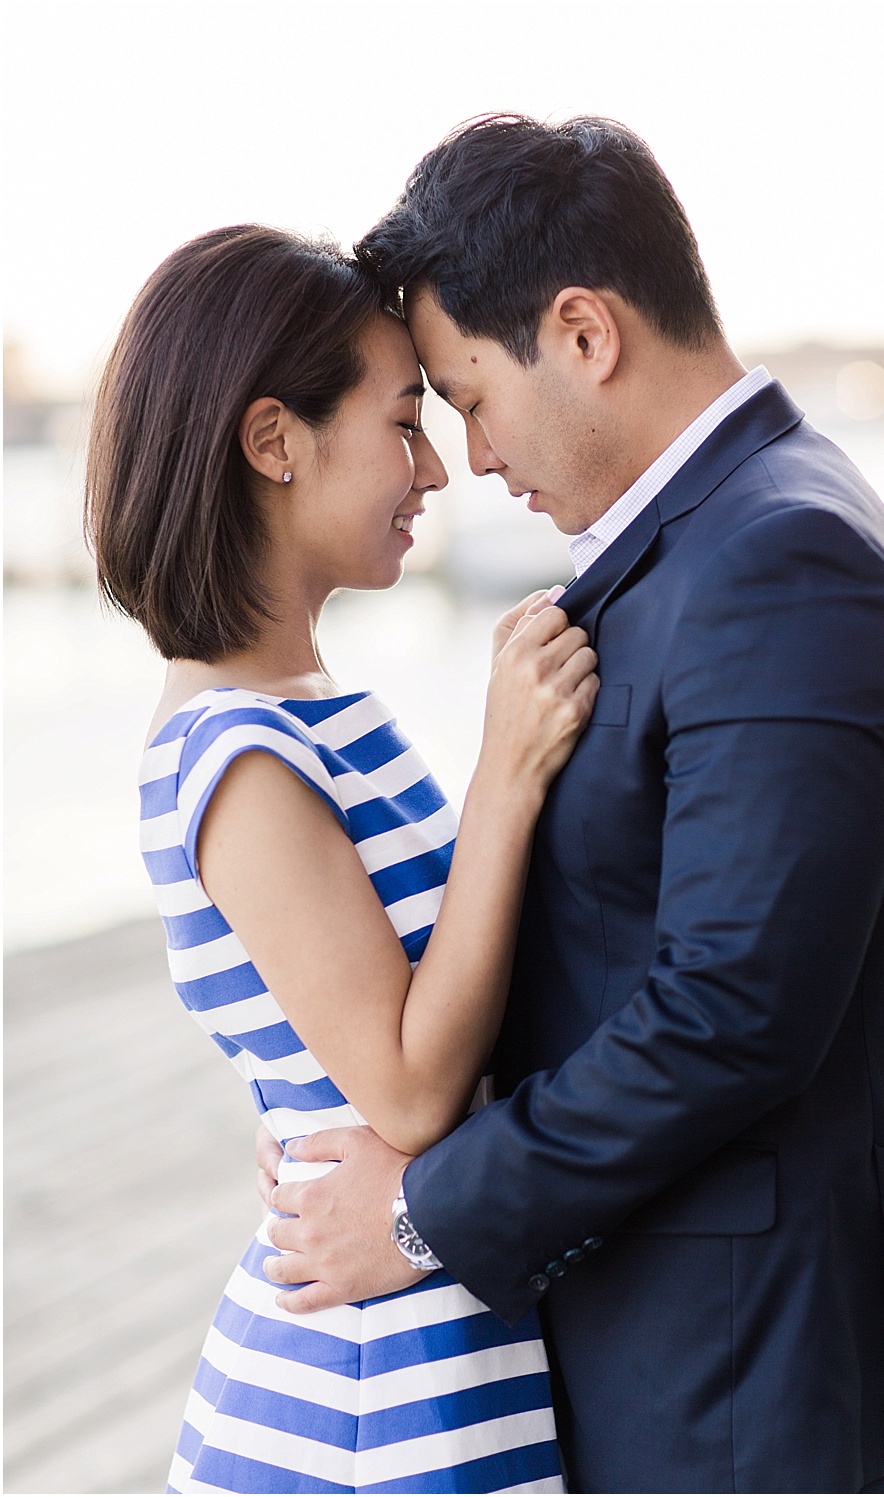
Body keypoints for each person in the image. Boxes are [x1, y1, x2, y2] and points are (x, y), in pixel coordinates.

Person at [256, 117, 884, 1494]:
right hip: (691, 1355)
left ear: (582, 333)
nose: (466, 455)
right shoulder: (718, 532)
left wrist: (411, 1211)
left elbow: (728, 1014)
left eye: (465, 394)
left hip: (743, 1388)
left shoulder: (782, 556)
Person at [85, 223, 601, 1494]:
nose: (434, 468)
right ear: (274, 442)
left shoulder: (318, 708)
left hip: (435, 1346)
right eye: (401, 422)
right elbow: (413, 1090)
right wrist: (508, 768)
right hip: (367, 1408)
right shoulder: (238, 756)